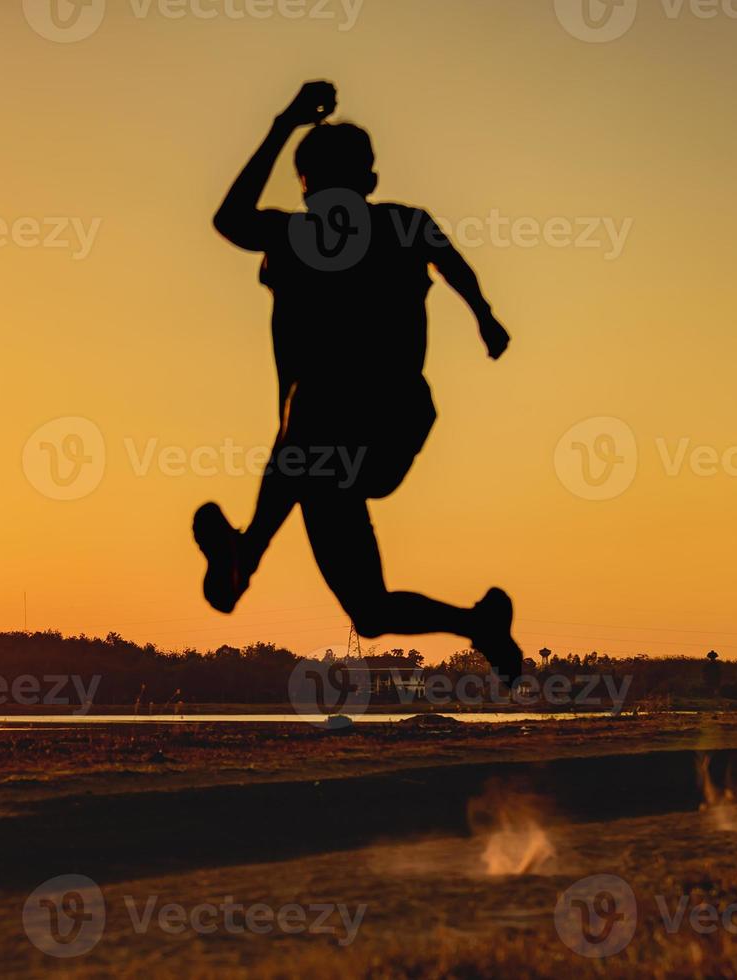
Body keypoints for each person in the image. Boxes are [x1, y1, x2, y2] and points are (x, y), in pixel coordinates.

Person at [194, 80, 525, 680]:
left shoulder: (315, 233)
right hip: (324, 460)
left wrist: (283, 122)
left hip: (380, 426)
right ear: (368, 181)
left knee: (311, 402)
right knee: (370, 613)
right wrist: (485, 318)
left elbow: (230, 218)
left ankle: (249, 551)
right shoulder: (387, 225)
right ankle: (481, 624)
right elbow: (452, 263)